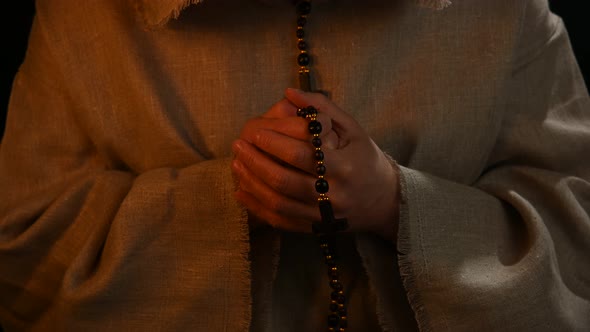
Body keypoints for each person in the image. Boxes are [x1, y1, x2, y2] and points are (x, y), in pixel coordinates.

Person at [0, 0, 589, 330]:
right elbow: (28, 256)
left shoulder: (503, 13)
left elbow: (577, 243)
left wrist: (395, 202)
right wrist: (240, 190)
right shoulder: (87, 17)